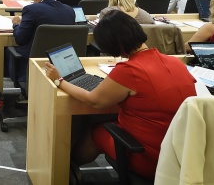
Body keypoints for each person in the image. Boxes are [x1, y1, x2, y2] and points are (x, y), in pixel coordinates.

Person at [43, 10, 196, 180]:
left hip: (148, 157)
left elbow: (94, 101)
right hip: (182, 154)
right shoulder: (175, 62)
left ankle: (67, 169)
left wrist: (60, 81)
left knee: (95, 131)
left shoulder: (130, 70)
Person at [11, 0, 75, 72]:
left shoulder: (31, 9)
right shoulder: (69, 10)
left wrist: (16, 25)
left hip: (35, 62)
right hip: (63, 62)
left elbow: (20, 39)